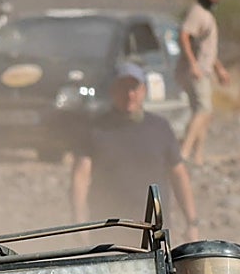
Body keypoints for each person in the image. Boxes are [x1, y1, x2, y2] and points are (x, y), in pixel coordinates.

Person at [71, 62, 200, 241]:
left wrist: (192, 223)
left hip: (154, 232)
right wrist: (79, 223)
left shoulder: (160, 128)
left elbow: (179, 175)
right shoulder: (95, 130)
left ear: (144, 91)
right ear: (112, 91)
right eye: (123, 88)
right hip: (109, 232)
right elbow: (80, 177)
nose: (129, 95)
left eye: (134, 88)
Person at [177, 0, 231, 166]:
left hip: (204, 70)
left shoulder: (207, 15)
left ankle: (198, 155)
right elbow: (184, 36)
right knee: (203, 109)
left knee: (203, 114)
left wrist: (219, 69)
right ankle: (184, 152)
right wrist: (193, 64)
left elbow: (207, 49)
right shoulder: (197, 12)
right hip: (196, 71)